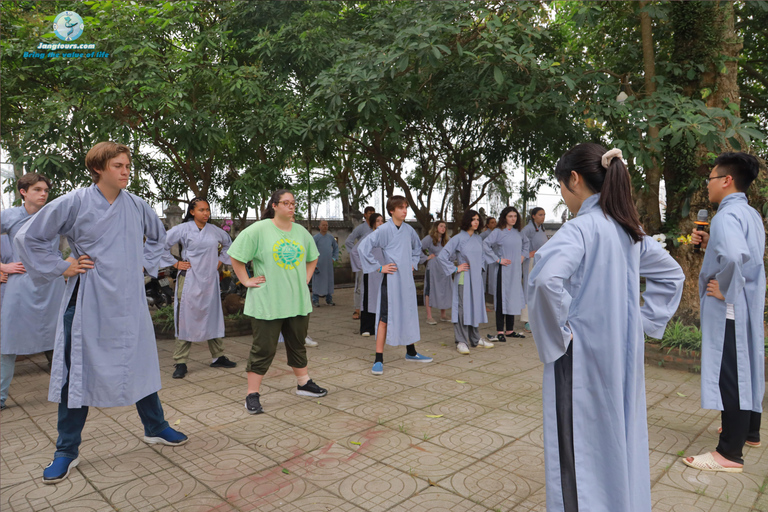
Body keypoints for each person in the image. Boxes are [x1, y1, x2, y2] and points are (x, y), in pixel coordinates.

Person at [15, 142, 188, 485]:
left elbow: (158, 238)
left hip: (129, 300)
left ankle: (155, 427)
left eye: (128, 165)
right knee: (76, 374)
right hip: (87, 299)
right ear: (98, 168)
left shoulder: (138, 205)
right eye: (119, 165)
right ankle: (66, 450)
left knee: (139, 362)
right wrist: (60, 266)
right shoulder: (74, 202)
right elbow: (29, 237)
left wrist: (143, 263)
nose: (126, 171)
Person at [528, 143, 684, 511]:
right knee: (618, 436)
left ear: (575, 179)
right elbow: (672, 276)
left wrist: (562, 334)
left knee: (577, 449)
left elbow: (545, 281)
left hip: (581, 359)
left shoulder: (579, 229)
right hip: (622, 354)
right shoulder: (628, 231)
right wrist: (640, 322)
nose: (564, 198)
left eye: (562, 188)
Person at [683, 152, 765, 473]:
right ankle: (749, 432)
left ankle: (729, 453)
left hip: (731, 306)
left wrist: (726, 289)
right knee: (747, 365)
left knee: (730, 374)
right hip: (747, 304)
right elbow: (743, 255)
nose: (708, 184)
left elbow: (733, 255)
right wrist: (708, 246)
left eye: (712, 178)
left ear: (727, 180)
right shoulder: (750, 214)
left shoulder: (725, 218)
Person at [228, 189, 328, 415]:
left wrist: (306, 279)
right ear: (274, 206)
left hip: (297, 301)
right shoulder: (259, 229)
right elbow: (236, 255)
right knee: (263, 348)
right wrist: (245, 280)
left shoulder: (301, 232)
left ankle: (304, 384)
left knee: (297, 343)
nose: (291, 207)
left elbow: (312, 258)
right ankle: (251, 395)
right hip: (268, 301)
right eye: (286, 203)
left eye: (293, 203)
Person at [1, 174, 66, 411]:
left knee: (62, 336)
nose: (43, 194)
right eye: (37, 189)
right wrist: (2, 266)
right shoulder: (8, 216)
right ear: (23, 192)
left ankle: (68, 389)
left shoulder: (55, 215)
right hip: (20, 285)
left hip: (52, 284)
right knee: (7, 341)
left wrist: (69, 265)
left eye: (46, 190)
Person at [162, 197, 237, 380]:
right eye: (202, 210)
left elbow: (229, 245)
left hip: (209, 280)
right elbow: (160, 245)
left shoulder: (214, 231)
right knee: (185, 318)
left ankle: (218, 356)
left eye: (207, 210)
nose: (206, 213)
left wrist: (220, 260)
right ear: (192, 212)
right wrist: (175, 263)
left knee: (212, 315)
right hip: (189, 280)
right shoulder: (182, 229)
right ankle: (180, 362)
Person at [357, 196, 432, 375]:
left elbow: (417, 248)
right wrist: (379, 267)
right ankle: (378, 359)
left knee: (408, 313)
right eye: (400, 208)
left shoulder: (409, 230)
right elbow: (363, 247)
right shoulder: (384, 230)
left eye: (405, 207)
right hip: (390, 281)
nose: (404, 211)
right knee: (384, 318)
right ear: (392, 211)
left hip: (406, 280)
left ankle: (411, 352)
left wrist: (413, 262)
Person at [437, 210, 497, 355]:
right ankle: (461, 341)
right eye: (473, 219)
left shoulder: (478, 239)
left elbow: (482, 257)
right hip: (464, 278)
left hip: (476, 279)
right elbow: (442, 256)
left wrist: (479, 268)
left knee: (474, 307)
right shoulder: (458, 238)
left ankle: (475, 339)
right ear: (467, 221)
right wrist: (455, 268)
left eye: (477, 219)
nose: (476, 222)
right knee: (462, 309)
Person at [484, 206, 529, 343]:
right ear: (504, 217)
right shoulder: (498, 232)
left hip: (515, 272)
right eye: (510, 216)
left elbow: (526, 245)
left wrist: (522, 256)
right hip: (503, 272)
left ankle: (509, 330)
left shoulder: (519, 232)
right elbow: (485, 245)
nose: (513, 219)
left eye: (515, 216)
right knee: (501, 300)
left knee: (513, 298)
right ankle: (500, 331)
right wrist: (498, 259)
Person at [520, 207, 548, 330]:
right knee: (528, 288)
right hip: (530, 262)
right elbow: (519, 244)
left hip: (539, 262)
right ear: (533, 216)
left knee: (537, 289)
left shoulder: (541, 228)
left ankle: (536, 318)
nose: (543, 217)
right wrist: (527, 254)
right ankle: (527, 320)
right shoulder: (528, 229)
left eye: (544, 214)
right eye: (540, 214)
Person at [345, 206, 375, 319]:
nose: (371, 215)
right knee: (359, 285)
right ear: (365, 215)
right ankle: (357, 309)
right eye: (369, 213)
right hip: (362, 261)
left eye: (373, 213)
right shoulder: (361, 228)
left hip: (374, 261)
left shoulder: (378, 228)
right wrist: (356, 255)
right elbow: (349, 241)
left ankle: (371, 308)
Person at [421, 220, 452, 324]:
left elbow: (454, 249)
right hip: (433, 267)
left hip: (444, 267)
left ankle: (443, 314)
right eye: (441, 226)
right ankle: (429, 316)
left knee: (444, 289)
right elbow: (418, 248)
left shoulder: (447, 239)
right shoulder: (429, 238)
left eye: (445, 226)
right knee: (430, 289)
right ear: (436, 227)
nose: (443, 228)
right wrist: (426, 257)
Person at [359, 213, 384, 336]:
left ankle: (380, 326)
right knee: (369, 299)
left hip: (383, 271)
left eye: (382, 221)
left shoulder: (386, 237)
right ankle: (366, 328)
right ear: (373, 223)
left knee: (381, 298)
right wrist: (364, 265)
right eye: (378, 221)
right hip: (371, 272)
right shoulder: (368, 236)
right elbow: (356, 252)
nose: (380, 223)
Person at [311, 220, 339, 307]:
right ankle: (315, 300)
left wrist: (334, 258)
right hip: (318, 264)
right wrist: (313, 262)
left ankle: (329, 299)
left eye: (326, 225)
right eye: (323, 225)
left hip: (328, 264)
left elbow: (336, 248)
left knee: (328, 281)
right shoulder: (315, 238)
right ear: (319, 226)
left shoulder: (330, 238)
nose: (325, 227)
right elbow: (311, 250)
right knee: (317, 282)